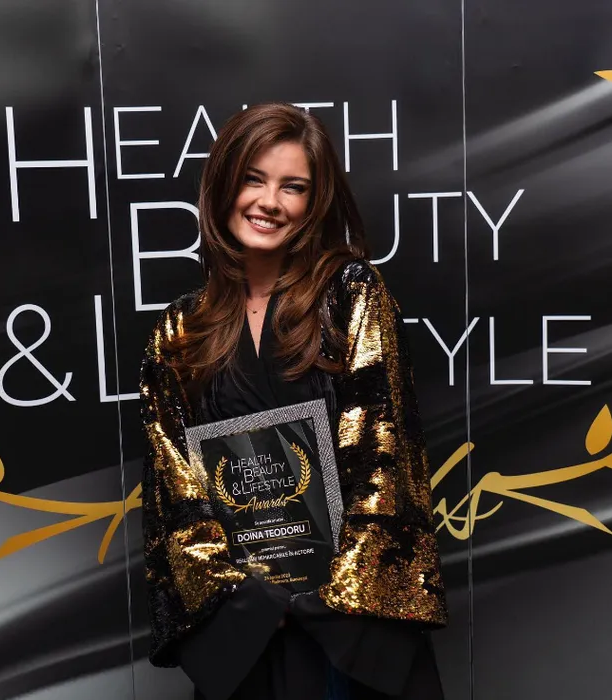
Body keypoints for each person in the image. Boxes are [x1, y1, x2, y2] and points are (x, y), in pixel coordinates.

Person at [139, 102, 448, 700]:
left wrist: (336, 592)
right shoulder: (180, 331)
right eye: (253, 179)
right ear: (223, 185)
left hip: (346, 624)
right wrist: (241, 596)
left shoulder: (351, 295)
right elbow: (174, 487)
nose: (269, 202)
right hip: (249, 627)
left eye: (293, 187)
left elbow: (385, 449)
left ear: (316, 201)